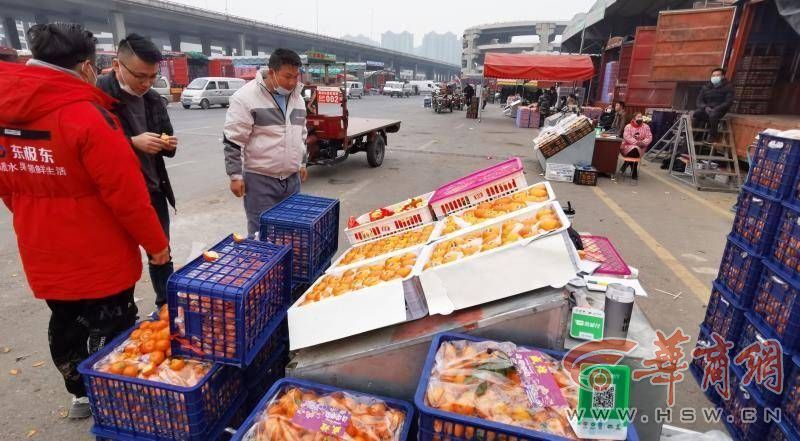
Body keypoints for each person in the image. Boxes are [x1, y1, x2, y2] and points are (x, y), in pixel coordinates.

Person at [0, 23, 169, 418]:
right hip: (99, 254)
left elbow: (8, 188)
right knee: (111, 328)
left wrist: (38, 217)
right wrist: (156, 245)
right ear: (88, 67)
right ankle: (117, 400)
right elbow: (127, 197)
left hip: (41, 247)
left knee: (65, 320)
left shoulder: (6, 110)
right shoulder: (87, 117)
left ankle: (80, 393)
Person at [97, 33, 177, 311]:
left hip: (152, 191)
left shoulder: (153, 99)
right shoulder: (98, 97)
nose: (146, 83)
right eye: (140, 76)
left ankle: (166, 308)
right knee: (120, 258)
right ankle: (121, 313)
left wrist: (168, 143)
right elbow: (91, 146)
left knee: (161, 253)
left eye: (152, 76)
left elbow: (168, 139)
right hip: (117, 195)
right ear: (118, 65)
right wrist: (131, 142)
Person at [224, 48, 309, 238]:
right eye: (287, 76)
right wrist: (235, 175)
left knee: (290, 233)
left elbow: (301, 133)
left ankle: (287, 268)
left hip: (291, 180)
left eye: (296, 76)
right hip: (260, 180)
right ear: (271, 72)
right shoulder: (246, 98)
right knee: (261, 233)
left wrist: (302, 162)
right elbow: (233, 139)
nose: (292, 82)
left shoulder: (297, 98)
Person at [693, 67, 734, 139]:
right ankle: (693, 135)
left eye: (717, 75)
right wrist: (705, 107)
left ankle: (713, 136)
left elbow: (728, 102)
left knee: (713, 115)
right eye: (713, 75)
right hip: (707, 109)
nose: (715, 77)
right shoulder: (706, 87)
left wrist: (716, 109)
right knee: (697, 113)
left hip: (719, 110)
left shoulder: (728, 87)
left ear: (723, 76)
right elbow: (699, 100)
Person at [619, 112, 653, 181]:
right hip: (627, 147)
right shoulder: (628, 126)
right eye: (638, 117)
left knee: (636, 149)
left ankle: (626, 164)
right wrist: (636, 142)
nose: (640, 118)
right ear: (634, 119)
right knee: (634, 149)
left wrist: (643, 142)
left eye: (641, 117)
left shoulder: (646, 127)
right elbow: (626, 136)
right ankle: (634, 171)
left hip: (641, 147)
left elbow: (649, 137)